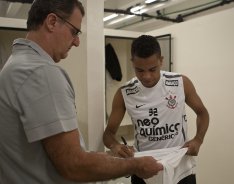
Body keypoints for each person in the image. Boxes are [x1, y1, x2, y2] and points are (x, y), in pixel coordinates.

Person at [0, 1, 163, 183]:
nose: (77, 42)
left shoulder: (14, 65)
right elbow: (73, 164)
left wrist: (108, 157)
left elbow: (52, 154)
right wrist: (136, 165)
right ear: (52, 22)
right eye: (74, 32)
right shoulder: (41, 72)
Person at [103, 35, 209, 184]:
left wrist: (198, 140)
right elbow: (108, 134)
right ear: (132, 63)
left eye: (153, 69)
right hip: (143, 165)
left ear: (161, 60)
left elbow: (202, 113)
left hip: (179, 163)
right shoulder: (124, 93)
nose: (147, 76)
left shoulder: (180, 83)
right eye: (139, 70)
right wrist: (115, 146)